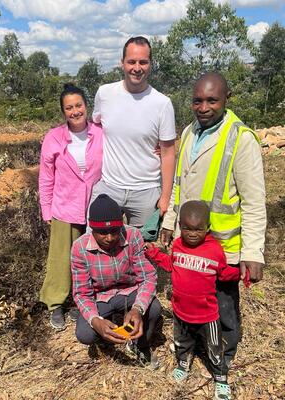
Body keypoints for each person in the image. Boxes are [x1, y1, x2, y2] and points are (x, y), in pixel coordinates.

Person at [161, 72, 266, 372]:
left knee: (223, 304)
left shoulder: (241, 139)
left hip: (223, 246)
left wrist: (253, 252)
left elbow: (254, 201)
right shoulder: (188, 132)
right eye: (197, 100)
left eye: (212, 100)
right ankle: (195, 343)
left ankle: (224, 353)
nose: (203, 107)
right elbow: (179, 184)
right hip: (189, 242)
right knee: (194, 298)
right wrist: (170, 221)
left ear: (226, 99)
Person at [146, 200, 249, 400]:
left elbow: (223, 273)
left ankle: (220, 377)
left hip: (207, 315)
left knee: (214, 348)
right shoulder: (178, 245)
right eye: (187, 228)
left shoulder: (214, 249)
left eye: (198, 229)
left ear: (208, 228)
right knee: (182, 342)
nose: (192, 234)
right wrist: (154, 253)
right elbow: (170, 264)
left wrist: (242, 274)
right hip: (181, 311)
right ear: (180, 226)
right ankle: (183, 364)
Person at [91, 36, 176, 227]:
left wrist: (165, 197)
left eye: (143, 62)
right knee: (94, 242)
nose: (137, 68)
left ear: (151, 64)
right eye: (131, 62)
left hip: (147, 191)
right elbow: (94, 127)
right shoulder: (104, 94)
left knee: (144, 245)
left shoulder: (162, 103)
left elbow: (168, 153)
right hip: (109, 186)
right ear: (122, 63)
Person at [39, 83, 104, 331]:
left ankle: (82, 301)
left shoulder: (101, 133)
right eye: (69, 108)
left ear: (86, 106)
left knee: (90, 257)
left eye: (79, 105)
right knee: (60, 258)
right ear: (63, 111)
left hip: (94, 207)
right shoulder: (53, 138)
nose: (75, 111)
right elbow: (46, 177)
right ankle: (56, 303)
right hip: (64, 207)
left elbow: (124, 147)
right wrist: (46, 209)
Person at [71, 194, 162, 368]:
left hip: (129, 291)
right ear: (92, 229)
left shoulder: (132, 235)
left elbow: (148, 277)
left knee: (154, 308)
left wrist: (137, 308)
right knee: (85, 334)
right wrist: (95, 320)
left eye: (114, 231)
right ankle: (105, 335)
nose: (110, 238)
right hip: (100, 297)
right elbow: (82, 293)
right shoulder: (79, 248)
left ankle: (141, 344)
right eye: (102, 233)